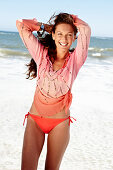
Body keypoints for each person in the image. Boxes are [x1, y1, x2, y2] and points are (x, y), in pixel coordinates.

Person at [16, 12, 91, 170]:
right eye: (60, 34)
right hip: (35, 120)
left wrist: (68, 19)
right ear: (53, 35)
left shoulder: (76, 61)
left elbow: (85, 28)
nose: (64, 39)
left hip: (59, 124)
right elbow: (21, 24)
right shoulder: (41, 55)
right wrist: (47, 27)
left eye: (69, 35)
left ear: (74, 38)